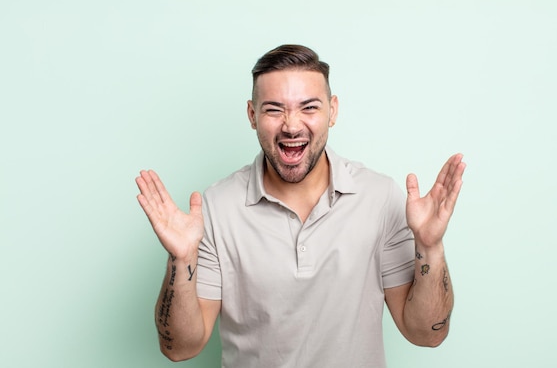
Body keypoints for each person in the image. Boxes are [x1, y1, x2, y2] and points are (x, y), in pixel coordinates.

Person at [135, 44, 466, 367]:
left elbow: (427, 334)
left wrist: (430, 245)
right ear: (252, 115)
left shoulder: (379, 197)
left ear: (332, 111)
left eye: (309, 107)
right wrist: (181, 260)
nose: (291, 125)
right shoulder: (217, 207)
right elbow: (179, 348)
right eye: (274, 109)